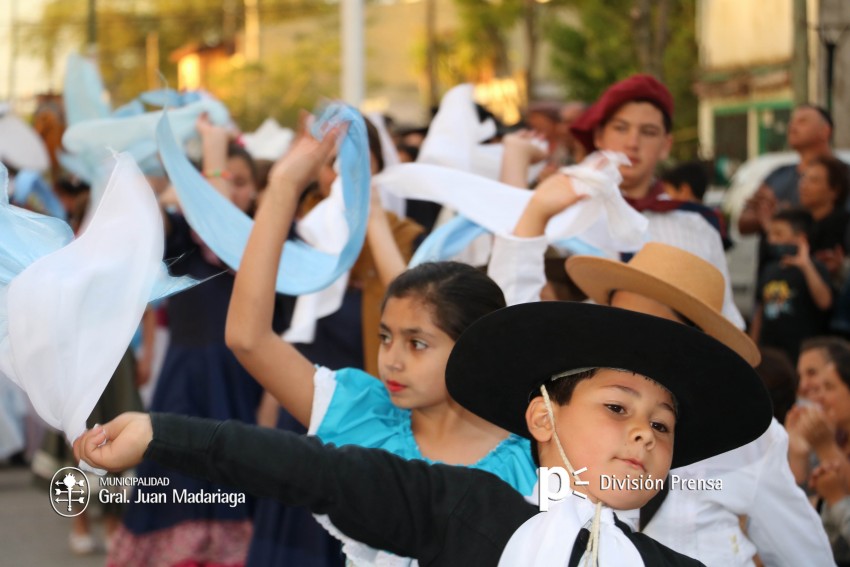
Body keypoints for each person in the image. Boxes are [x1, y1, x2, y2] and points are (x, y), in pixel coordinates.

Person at [75, 300, 773, 566]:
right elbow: (312, 470)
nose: (646, 435)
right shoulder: (471, 511)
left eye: (663, 423)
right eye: (618, 408)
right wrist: (158, 431)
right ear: (542, 417)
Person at [226, 123, 535, 565]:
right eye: (385, 337)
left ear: (476, 350)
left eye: (417, 344)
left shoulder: (537, 461)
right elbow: (248, 338)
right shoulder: (362, 415)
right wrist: (282, 187)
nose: (390, 360)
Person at [106, 117, 277, 567]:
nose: (234, 191)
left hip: (243, 389)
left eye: (242, 183)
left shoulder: (267, 243)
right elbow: (168, 220)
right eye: (226, 181)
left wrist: (214, 151)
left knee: (239, 497)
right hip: (182, 387)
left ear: (259, 192)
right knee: (174, 494)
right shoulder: (180, 235)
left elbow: (220, 234)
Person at [739, 104, 837, 237]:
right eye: (791, 122)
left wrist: (782, 213)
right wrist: (767, 214)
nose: (792, 127)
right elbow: (743, 223)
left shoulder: (843, 176)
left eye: (802, 121)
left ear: (825, 131)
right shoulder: (777, 175)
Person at [752, 208, 833, 363]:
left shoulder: (815, 267)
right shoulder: (770, 269)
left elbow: (825, 302)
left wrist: (806, 265)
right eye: (770, 234)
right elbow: (760, 311)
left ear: (800, 238)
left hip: (799, 353)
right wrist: (753, 345)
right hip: (769, 351)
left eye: (779, 234)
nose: (771, 240)